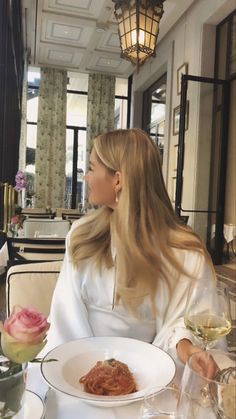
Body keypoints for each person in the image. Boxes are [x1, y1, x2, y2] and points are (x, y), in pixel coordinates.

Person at [45, 128, 217, 374]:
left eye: (91, 168)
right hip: (80, 369)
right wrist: (86, 369)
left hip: (153, 375)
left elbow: (186, 320)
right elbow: (66, 314)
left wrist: (185, 346)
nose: (86, 178)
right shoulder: (82, 237)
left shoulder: (184, 252)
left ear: (117, 179)